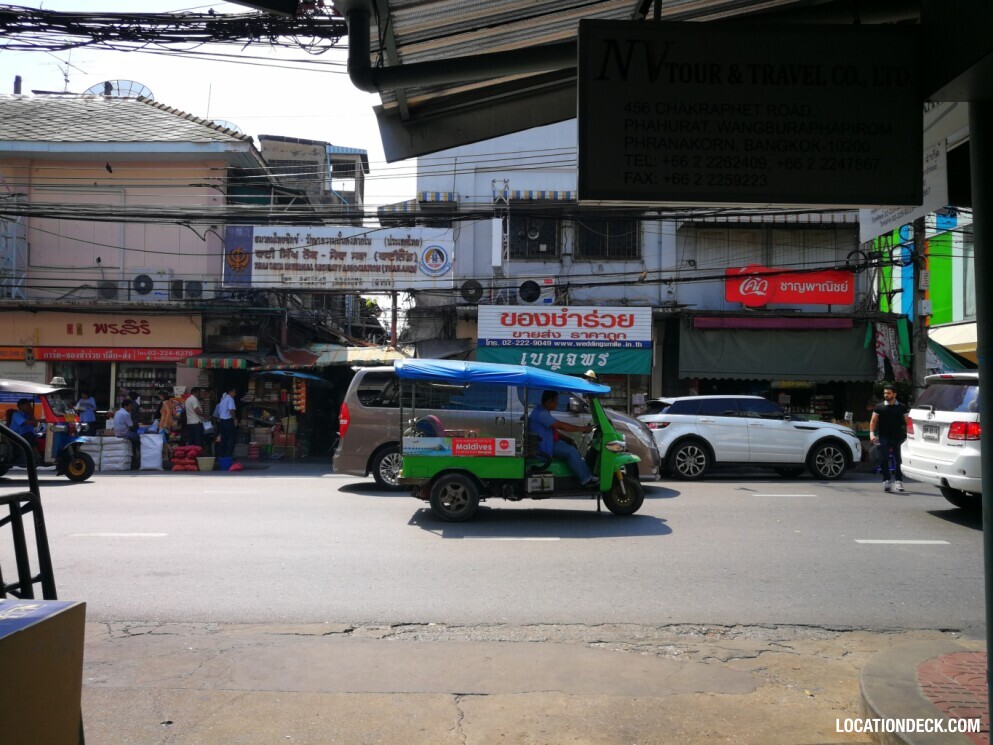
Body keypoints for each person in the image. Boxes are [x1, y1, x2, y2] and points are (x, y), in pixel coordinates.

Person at [528, 389, 596, 486]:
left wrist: (568, 439)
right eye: (556, 400)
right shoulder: (541, 414)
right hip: (545, 447)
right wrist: (581, 428)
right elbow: (560, 425)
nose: (557, 403)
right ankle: (586, 479)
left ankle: (581, 473)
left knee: (572, 448)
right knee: (571, 452)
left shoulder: (543, 411)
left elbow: (554, 430)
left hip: (549, 442)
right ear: (548, 401)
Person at [869, 384, 911, 493]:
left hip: (898, 437)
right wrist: (871, 433)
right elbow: (873, 421)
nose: (886, 395)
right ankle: (886, 481)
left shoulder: (902, 407)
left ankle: (898, 481)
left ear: (894, 394)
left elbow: (908, 422)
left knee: (899, 460)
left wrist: (910, 435)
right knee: (884, 458)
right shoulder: (879, 407)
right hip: (883, 436)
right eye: (885, 393)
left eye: (888, 393)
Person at [113, 399, 140, 470]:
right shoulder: (126, 414)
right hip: (125, 433)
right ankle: (137, 457)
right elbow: (131, 425)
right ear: (126, 406)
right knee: (139, 439)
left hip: (117, 433)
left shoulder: (117, 412)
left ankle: (134, 456)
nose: (131, 408)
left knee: (134, 439)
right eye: (130, 406)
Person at [213, 385, 238, 459]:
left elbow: (219, 412)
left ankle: (222, 455)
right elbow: (231, 410)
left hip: (221, 421)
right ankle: (228, 455)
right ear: (231, 392)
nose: (235, 394)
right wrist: (235, 418)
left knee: (223, 438)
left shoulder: (223, 400)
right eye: (234, 392)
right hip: (228, 421)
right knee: (231, 439)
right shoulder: (230, 399)